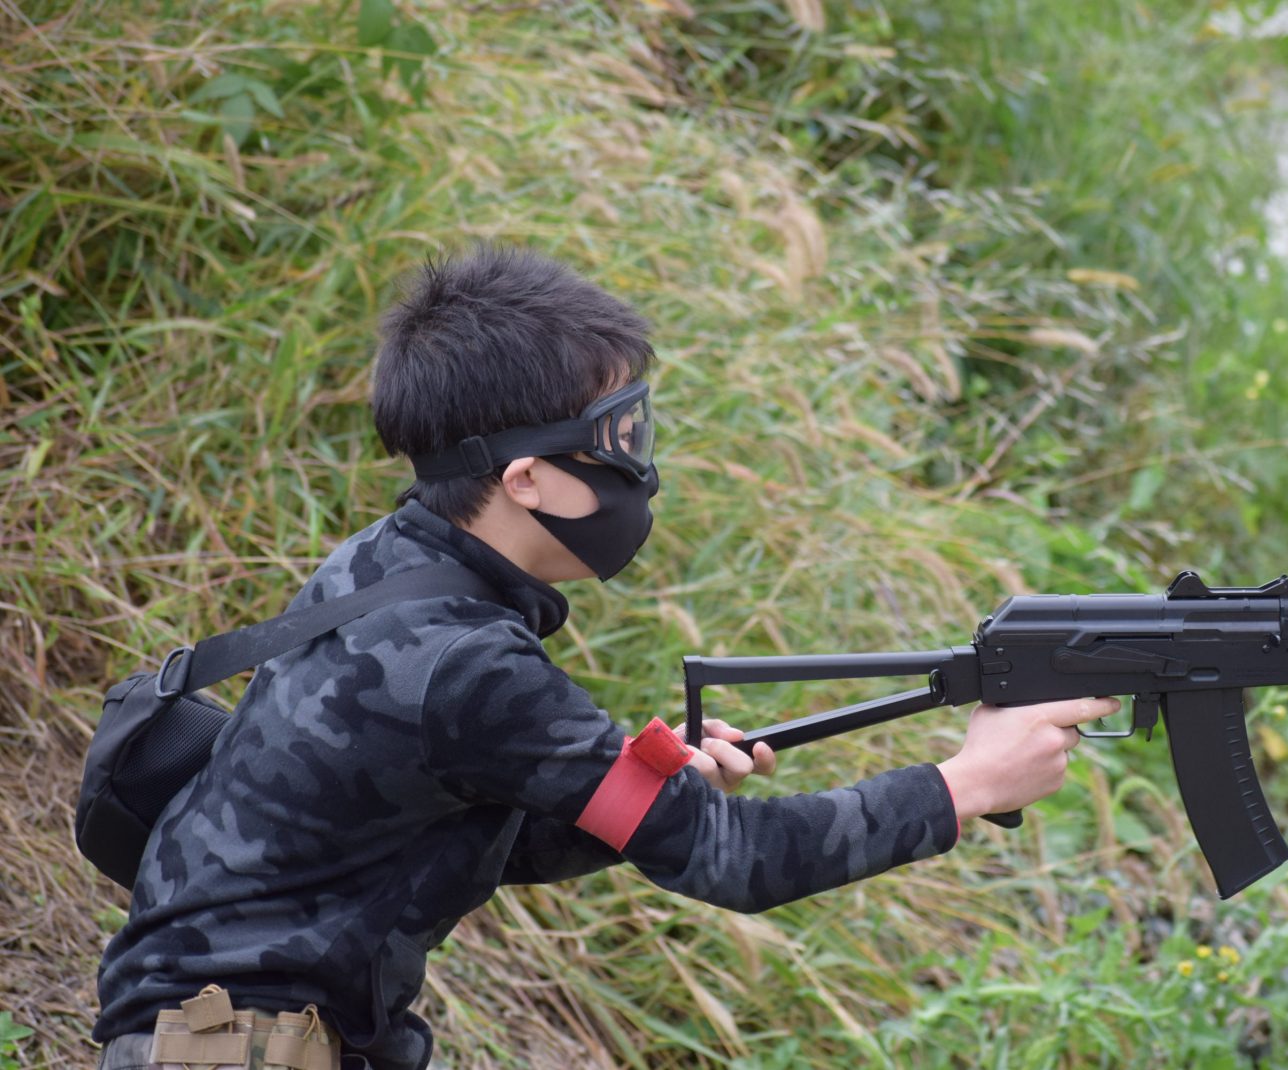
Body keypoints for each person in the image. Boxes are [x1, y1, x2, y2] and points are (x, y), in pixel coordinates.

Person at [91, 247, 1120, 1070]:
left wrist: (651, 791)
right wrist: (967, 784)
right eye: (617, 435)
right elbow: (737, 863)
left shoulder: (381, 567)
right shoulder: (468, 664)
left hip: (218, 1032)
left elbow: (481, 833)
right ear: (526, 478)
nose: (641, 465)